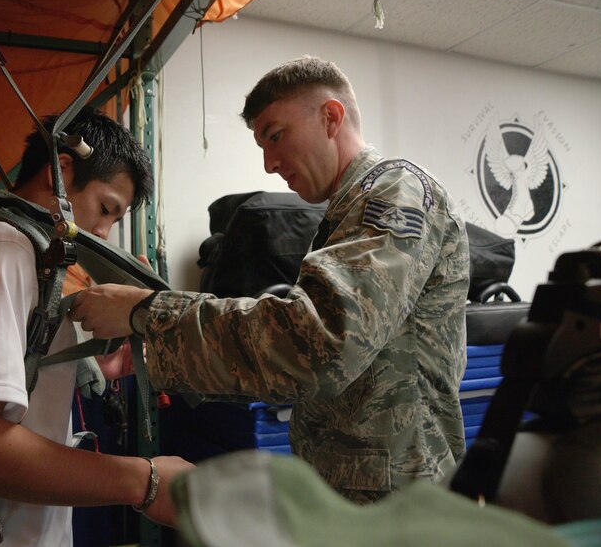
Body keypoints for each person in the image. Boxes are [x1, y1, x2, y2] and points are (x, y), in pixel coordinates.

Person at [70, 57, 470, 504]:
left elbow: (321, 341)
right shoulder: (343, 215)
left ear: (331, 117)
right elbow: (293, 365)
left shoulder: (397, 189)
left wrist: (145, 312)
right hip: (354, 498)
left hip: (401, 508)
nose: (269, 163)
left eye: (276, 136)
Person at [0, 106, 193, 546]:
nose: (103, 232)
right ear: (61, 170)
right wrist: (144, 481)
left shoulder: (24, 253)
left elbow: (5, 385)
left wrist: (100, 368)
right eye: (105, 208)